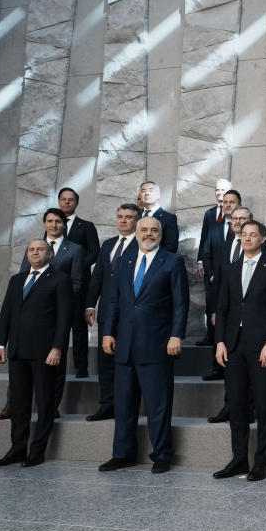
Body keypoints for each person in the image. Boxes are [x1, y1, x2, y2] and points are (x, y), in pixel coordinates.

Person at [99, 216, 190, 474]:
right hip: (124, 345)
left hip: (157, 344)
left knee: (158, 404)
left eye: (154, 230)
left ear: (161, 234)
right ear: (136, 233)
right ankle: (122, 454)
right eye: (144, 230)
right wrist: (107, 333)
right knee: (124, 405)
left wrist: (176, 336)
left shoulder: (172, 262)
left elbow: (180, 304)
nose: (149, 234)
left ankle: (161, 454)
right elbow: (114, 301)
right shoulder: (124, 262)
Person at [212, 220, 266, 482]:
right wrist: (220, 342)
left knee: (264, 405)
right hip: (233, 345)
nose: (248, 238)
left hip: (261, 345)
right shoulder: (230, 269)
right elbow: (221, 310)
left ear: (262, 240)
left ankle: (261, 463)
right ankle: (239, 459)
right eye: (244, 234)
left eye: (253, 235)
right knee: (236, 404)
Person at [0, 240, 73, 467]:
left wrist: (57, 348)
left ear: (50, 253)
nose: (35, 253)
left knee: (45, 403)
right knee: (18, 403)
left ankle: (36, 452)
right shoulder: (16, 280)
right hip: (17, 351)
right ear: (27, 254)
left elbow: (64, 318)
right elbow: (6, 312)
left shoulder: (60, 279)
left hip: (45, 352)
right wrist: (0, 344)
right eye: (31, 250)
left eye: (40, 249)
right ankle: (17, 449)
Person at [15, 208, 85, 417]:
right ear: (44, 223)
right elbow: (22, 277)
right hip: (30, 314)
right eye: (50, 221)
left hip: (57, 312)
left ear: (64, 225)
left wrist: (56, 298)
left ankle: (51, 405)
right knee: (20, 360)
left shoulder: (75, 249)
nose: (54, 225)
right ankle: (13, 403)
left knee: (56, 360)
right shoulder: (34, 247)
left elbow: (77, 282)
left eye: (58, 221)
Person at [205, 205, 266, 423]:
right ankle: (230, 408)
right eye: (235, 218)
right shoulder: (225, 244)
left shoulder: (262, 246)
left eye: (243, 218)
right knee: (232, 375)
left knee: (252, 380)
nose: (238, 221)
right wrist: (217, 311)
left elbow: (264, 283)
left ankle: (248, 409)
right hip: (229, 317)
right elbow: (222, 283)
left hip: (254, 325)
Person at [84, 204, 140, 422]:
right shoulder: (107, 244)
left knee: (126, 362)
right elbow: (97, 276)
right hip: (107, 312)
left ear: (137, 220)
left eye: (128, 217)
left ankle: (126, 406)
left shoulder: (142, 243)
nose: (123, 221)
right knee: (105, 362)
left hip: (130, 313)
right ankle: (107, 405)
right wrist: (90, 304)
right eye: (120, 217)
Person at [57, 187, 100, 377]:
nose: (67, 202)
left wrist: (78, 265)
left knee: (78, 326)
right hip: (57, 283)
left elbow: (95, 252)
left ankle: (81, 367)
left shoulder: (86, 226)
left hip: (79, 282)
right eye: (63, 199)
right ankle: (56, 363)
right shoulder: (53, 225)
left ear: (76, 203)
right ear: (59, 201)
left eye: (70, 200)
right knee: (57, 323)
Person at [201, 189, 242, 382]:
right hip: (218, 287)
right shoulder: (215, 229)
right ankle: (217, 367)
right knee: (218, 328)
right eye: (225, 202)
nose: (227, 205)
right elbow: (206, 254)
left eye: (232, 202)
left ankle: (233, 367)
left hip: (240, 292)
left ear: (238, 205)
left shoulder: (248, 232)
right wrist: (210, 276)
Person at [196, 178, 232, 346]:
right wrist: (200, 261)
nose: (219, 192)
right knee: (210, 302)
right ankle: (210, 335)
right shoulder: (209, 213)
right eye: (217, 189)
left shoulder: (236, 213)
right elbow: (204, 237)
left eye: (223, 189)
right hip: (210, 264)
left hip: (229, 265)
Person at [137, 181, 179, 252]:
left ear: (158, 195)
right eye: (143, 191)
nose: (147, 193)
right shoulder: (134, 217)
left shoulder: (169, 218)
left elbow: (171, 247)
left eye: (151, 190)